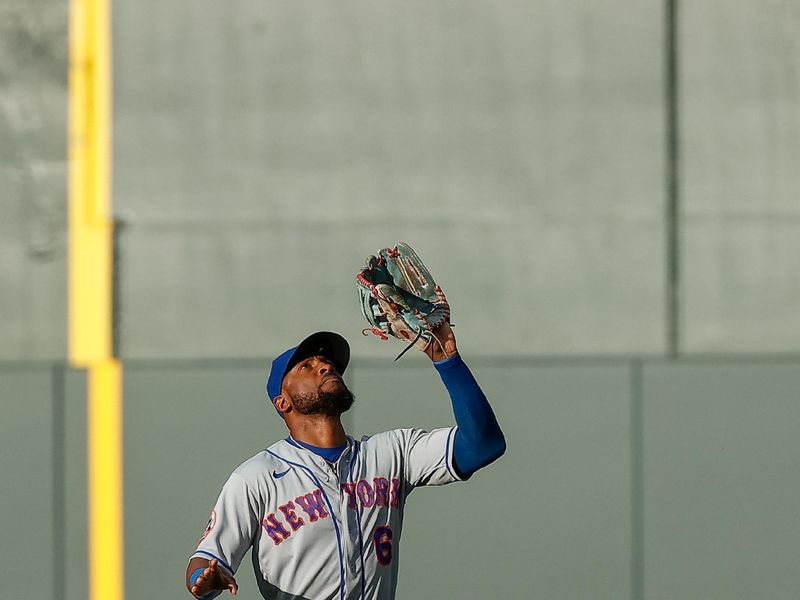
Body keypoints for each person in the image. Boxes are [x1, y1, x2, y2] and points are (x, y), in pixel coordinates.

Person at [185, 323, 505, 600]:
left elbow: (483, 445)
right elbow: (207, 560)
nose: (325, 367)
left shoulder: (391, 452)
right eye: (306, 366)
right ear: (282, 402)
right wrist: (205, 582)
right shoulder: (257, 476)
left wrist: (448, 361)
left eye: (327, 363)